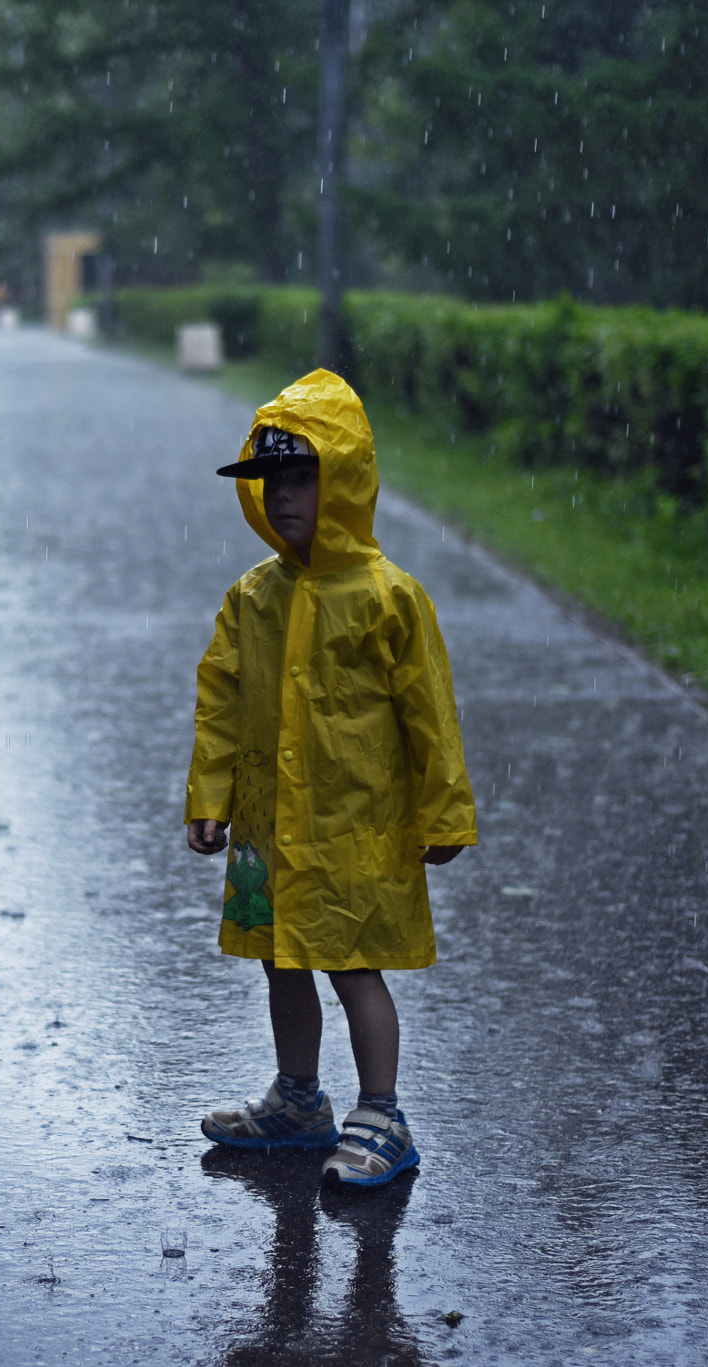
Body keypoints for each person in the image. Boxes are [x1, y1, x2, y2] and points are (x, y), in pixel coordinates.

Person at [185, 368, 477, 1188]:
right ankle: (300, 1098)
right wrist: (209, 796)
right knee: (282, 958)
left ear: (344, 480)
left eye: (303, 478)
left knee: (353, 964)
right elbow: (221, 700)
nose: (283, 498)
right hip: (268, 823)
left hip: (358, 824)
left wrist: (444, 814)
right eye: (271, 481)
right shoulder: (253, 597)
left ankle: (382, 1111)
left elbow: (429, 713)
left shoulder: (389, 598)